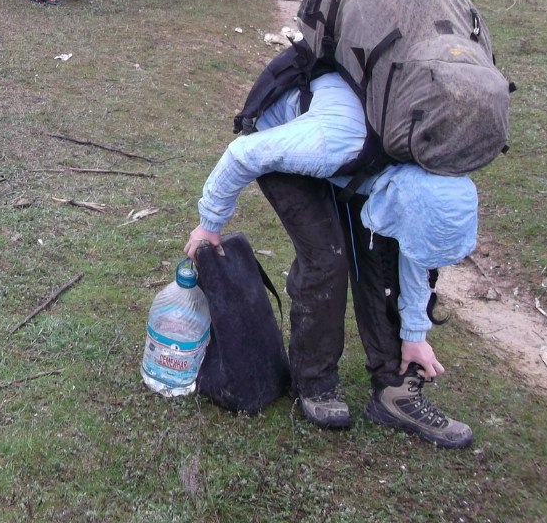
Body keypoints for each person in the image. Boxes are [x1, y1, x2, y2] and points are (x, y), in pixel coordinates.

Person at [182, 71, 478, 449]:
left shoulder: (429, 172)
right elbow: (243, 155)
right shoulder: (329, 142)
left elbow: (414, 253)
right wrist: (209, 224)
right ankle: (315, 383)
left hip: (357, 162)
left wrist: (415, 334)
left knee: (382, 260)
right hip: (292, 137)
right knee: (327, 259)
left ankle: (395, 393)